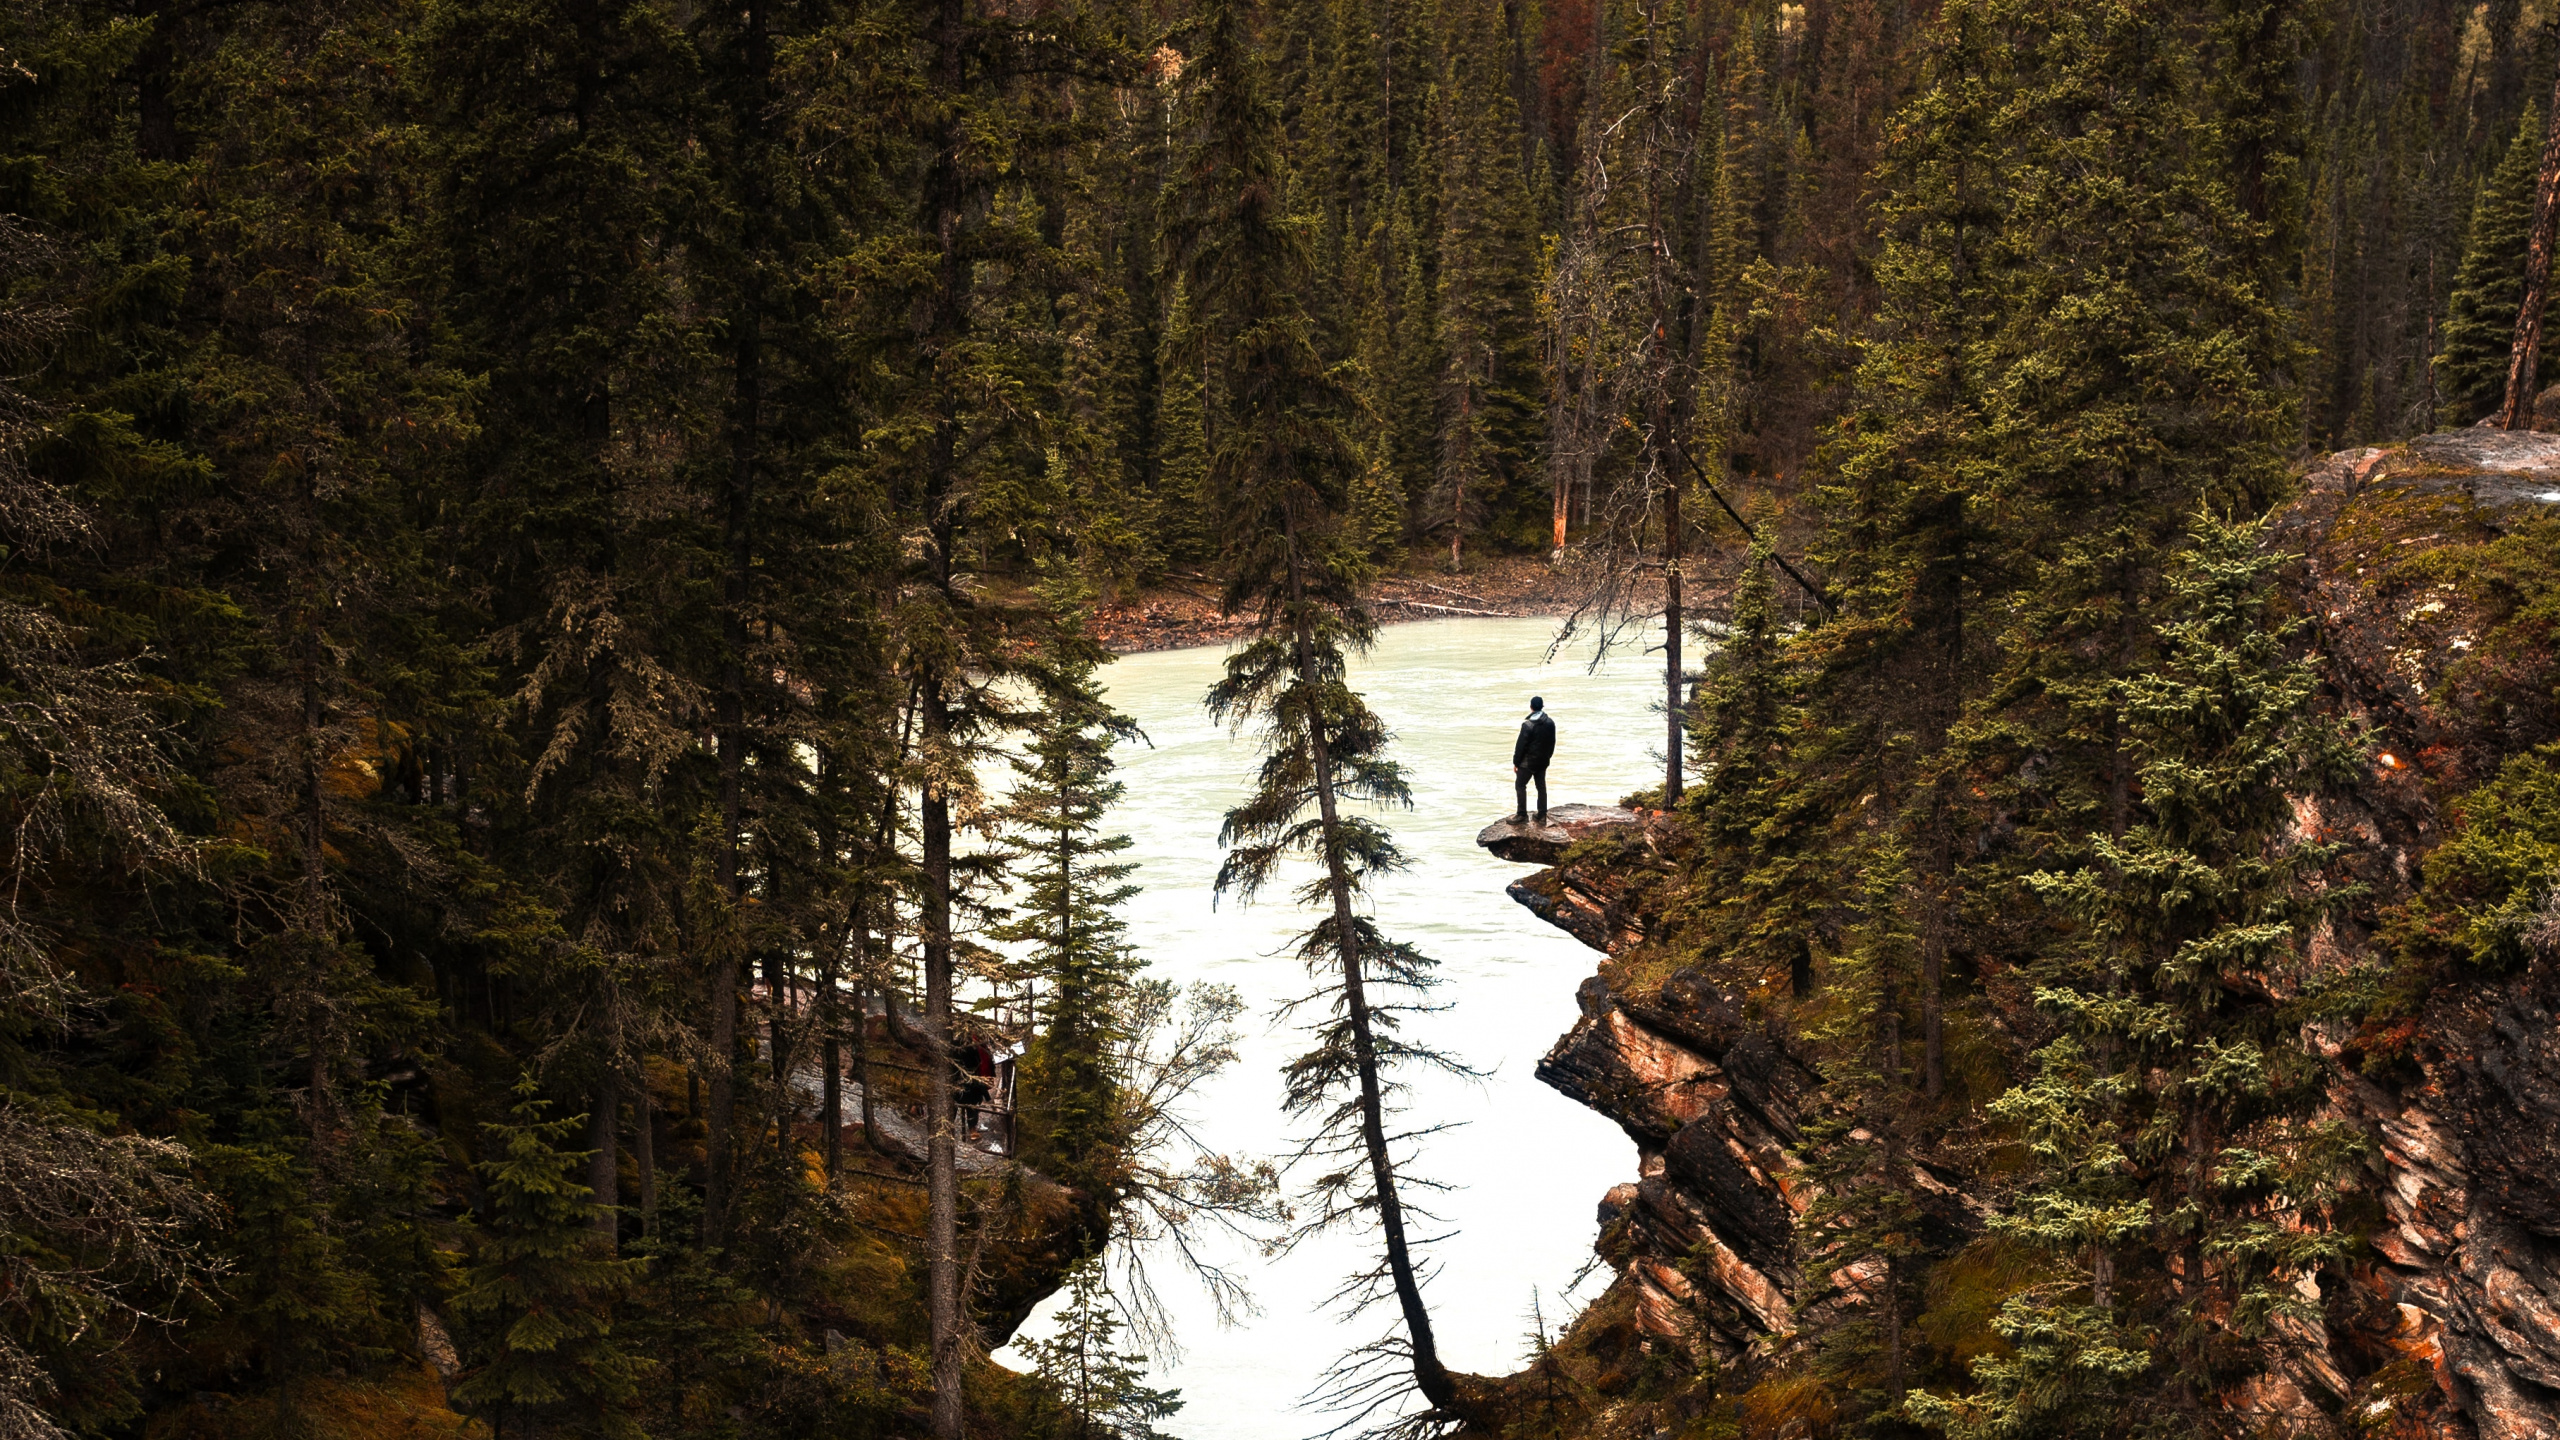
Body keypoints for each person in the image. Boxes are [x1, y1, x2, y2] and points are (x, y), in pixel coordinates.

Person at [1513, 695, 1555, 823]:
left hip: (1528, 763)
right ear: (1542, 707)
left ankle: (1522, 815)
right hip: (1543, 761)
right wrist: (1547, 757)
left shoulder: (1528, 725)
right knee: (1541, 786)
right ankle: (1541, 814)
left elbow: (1521, 746)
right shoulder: (1550, 722)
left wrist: (1516, 762)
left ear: (1531, 707)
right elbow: (1552, 742)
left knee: (1520, 785)